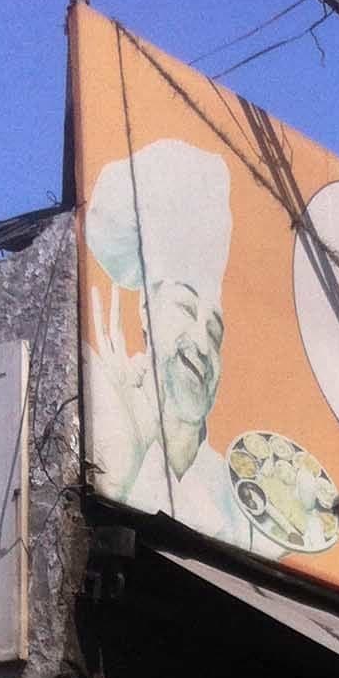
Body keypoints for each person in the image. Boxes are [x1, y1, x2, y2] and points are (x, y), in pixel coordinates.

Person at [84, 138, 258, 551]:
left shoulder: (242, 502)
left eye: (215, 329)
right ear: (145, 309)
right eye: (184, 306)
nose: (201, 341)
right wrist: (116, 467)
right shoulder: (113, 429)